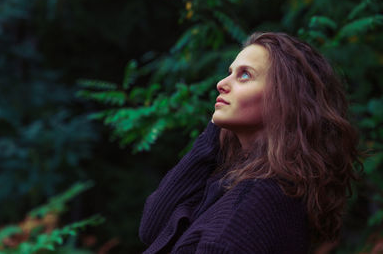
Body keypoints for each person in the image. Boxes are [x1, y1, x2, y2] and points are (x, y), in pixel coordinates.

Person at [139, 32, 361, 254]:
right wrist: (216, 130)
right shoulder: (233, 181)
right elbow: (153, 229)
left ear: (285, 98)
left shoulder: (255, 202)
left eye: (244, 75)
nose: (221, 83)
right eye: (230, 73)